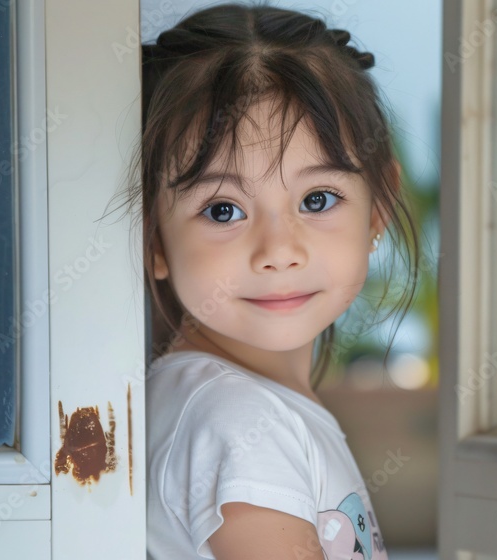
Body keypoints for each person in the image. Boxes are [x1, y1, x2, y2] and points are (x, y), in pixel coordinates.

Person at [117, 3, 421, 558]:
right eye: (223, 210)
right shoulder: (238, 420)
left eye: (317, 199)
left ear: (377, 208)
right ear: (153, 238)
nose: (279, 252)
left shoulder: (235, 406)